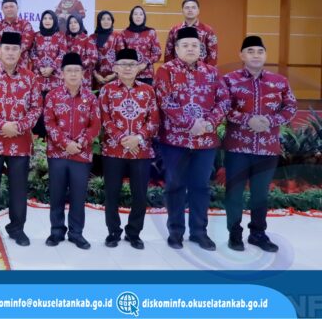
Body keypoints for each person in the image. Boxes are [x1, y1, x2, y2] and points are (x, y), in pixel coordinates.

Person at [155, 27, 229, 251]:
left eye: (194, 45)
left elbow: (224, 101)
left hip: (205, 142)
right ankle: (175, 232)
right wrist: (190, 124)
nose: (190, 49)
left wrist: (209, 123)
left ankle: (199, 232)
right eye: (185, 45)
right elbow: (164, 101)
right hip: (174, 142)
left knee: (201, 187)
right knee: (175, 186)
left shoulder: (212, 72)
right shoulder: (166, 71)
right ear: (177, 49)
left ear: (201, 49)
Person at [223, 36, 297, 252]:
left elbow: (290, 107)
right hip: (237, 147)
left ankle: (258, 233)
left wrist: (269, 121)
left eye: (260, 51)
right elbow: (223, 107)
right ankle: (234, 233)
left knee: (260, 194)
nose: (256, 55)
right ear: (241, 55)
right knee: (234, 192)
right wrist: (248, 120)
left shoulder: (279, 81)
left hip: (267, 148)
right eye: (250, 51)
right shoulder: (229, 80)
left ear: (265, 55)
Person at [0, 32, 42, 247]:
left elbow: (36, 107)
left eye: (15, 49)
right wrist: (2, 124)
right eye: (7, 48)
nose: (11, 53)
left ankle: (17, 228)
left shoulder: (30, 78)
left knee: (18, 188)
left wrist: (18, 127)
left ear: (20, 52)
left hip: (19, 142)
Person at [99, 48, 159, 250]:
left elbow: (154, 120)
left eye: (132, 65)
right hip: (113, 151)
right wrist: (123, 139)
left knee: (139, 195)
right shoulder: (107, 90)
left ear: (139, 68)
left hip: (141, 151)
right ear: (115, 68)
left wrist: (138, 138)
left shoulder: (148, 91)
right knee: (112, 194)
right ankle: (113, 232)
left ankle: (134, 233)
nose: (127, 68)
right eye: (123, 64)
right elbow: (104, 119)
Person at [43, 52, 100, 249]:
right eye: (69, 71)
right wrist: (65, 143)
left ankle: (76, 233)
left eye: (77, 70)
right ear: (62, 74)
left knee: (78, 196)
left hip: (81, 155)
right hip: (57, 154)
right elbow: (49, 123)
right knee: (56, 194)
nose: (73, 74)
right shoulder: (52, 96)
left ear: (83, 73)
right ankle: (56, 231)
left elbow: (95, 125)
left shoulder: (91, 98)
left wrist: (80, 143)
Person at [30, 10, 67, 138]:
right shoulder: (36, 36)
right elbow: (32, 53)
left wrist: (52, 67)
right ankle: (39, 140)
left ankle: (54, 138)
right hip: (39, 78)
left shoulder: (60, 36)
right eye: (45, 18)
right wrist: (40, 67)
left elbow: (62, 53)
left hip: (55, 79)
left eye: (50, 18)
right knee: (38, 110)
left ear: (54, 21)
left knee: (53, 109)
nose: (47, 21)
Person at [164, 0, 218, 66]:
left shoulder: (208, 30)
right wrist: (170, 69)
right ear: (182, 10)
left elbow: (213, 54)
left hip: (201, 70)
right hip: (178, 69)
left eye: (193, 7)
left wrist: (207, 70)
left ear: (198, 11)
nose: (190, 10)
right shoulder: (174, 30)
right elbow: (168, 53)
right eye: (187, 8)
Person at [0, 0, 35, 70]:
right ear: (2, 9)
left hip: (21, 65)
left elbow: (26, 43)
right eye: (6, 7)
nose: (9, 9)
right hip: (2, 64)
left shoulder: (25, 25)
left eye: (11, 6)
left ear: (17, 7)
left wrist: (11, 53)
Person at [120, 6, 161, 85]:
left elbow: (157, 53)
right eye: (135, 14)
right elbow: (121, 54)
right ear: (131, 17)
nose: (138, 16)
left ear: (144, 17)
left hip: (147, 74)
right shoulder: (124, 33)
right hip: (129, 73)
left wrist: (146, 63)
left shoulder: (151, 32)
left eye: (141, 14)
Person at [90, 10, 123, 88]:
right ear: (99, 21)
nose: (106, 21)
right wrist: (96, 75)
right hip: (96, 78)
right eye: (103, 19)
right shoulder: (92, 37)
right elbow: (89, 58)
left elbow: (122, 58)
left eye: (108, 19)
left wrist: (114, 75)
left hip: (114, 77)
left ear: (112, 21)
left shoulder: (117, 36)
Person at [63, 14, 98, 86]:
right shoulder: (64, 39)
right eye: (70, 23)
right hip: (67, 76)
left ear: (80, 24)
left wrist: (78, 65)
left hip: (83, 76)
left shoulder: (87, 39)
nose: (73, 25)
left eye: (75, 22)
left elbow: (93, 58)